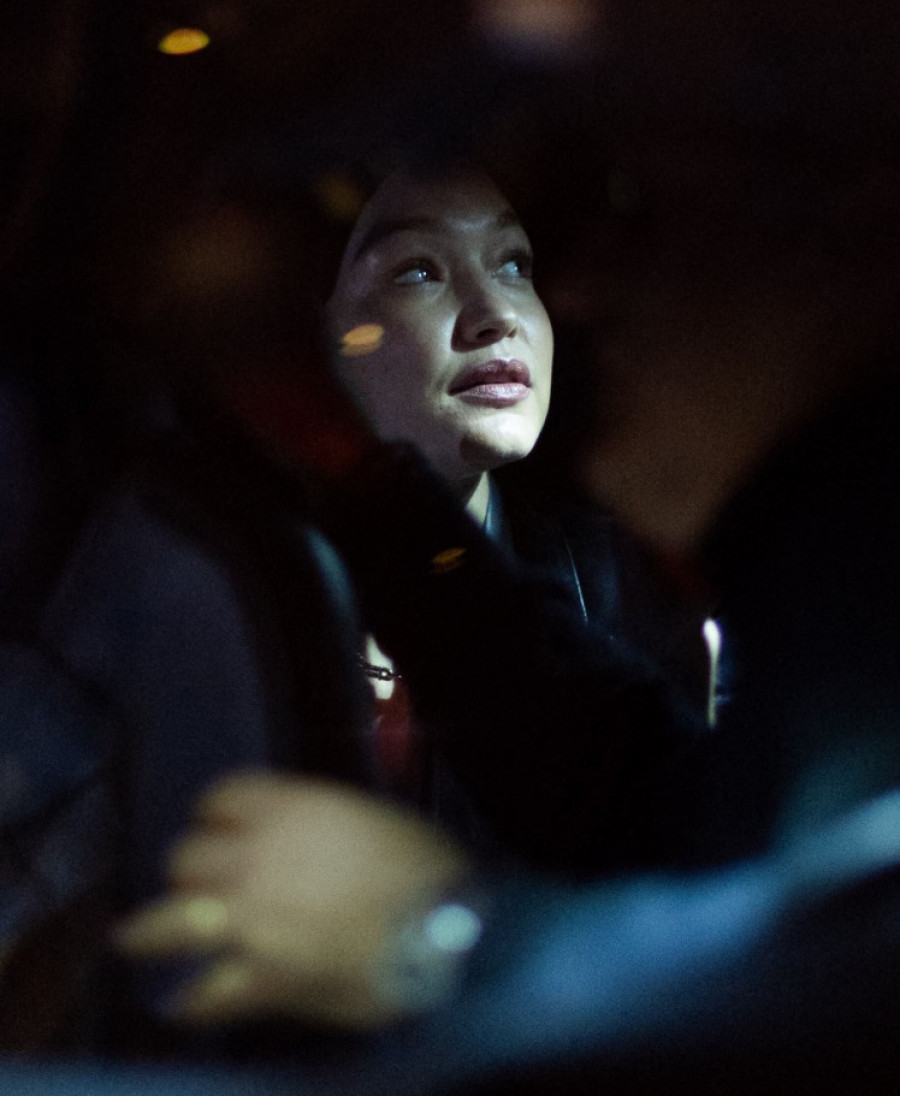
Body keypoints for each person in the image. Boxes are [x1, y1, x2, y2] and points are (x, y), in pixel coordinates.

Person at [116, 141, 900, 1095]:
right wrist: (358, 479)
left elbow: (846, 979)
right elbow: (638, 795)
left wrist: (437, 936)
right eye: (417, 270)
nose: (564, 298)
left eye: (650, 227)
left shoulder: (808, 588)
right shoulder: (818, 580)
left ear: (857, 237)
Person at [0, 160, 705, 1050]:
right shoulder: (175, 564)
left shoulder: (616, 582)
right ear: (302, 326)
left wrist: (437, 935)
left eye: (514, 265)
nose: (499, 315)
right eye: (419, 271)